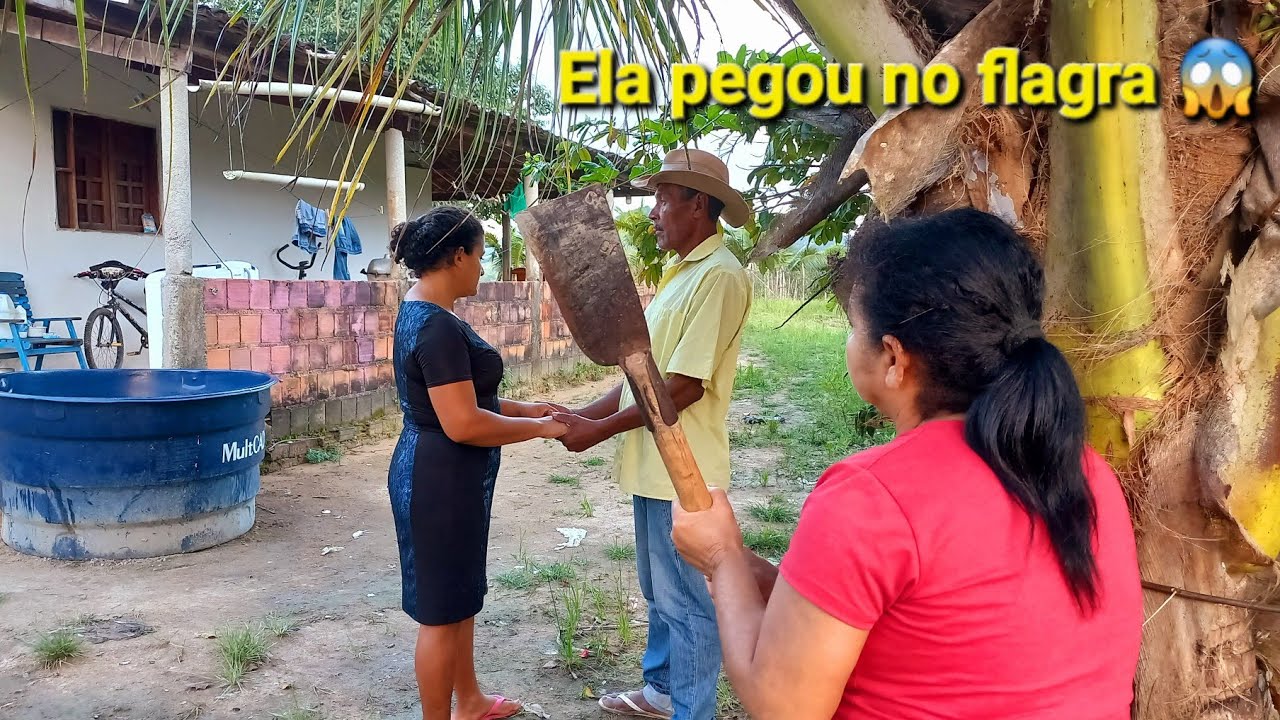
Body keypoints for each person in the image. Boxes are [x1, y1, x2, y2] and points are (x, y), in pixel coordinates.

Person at [671, 208, 1144, 719]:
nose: (850, 341)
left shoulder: (869, 499)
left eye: (854, 327)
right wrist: (749, 575)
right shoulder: (1085, 472)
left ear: (894, 359)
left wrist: (721, 556)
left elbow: (783, 706)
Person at [552, 148, 754, 719]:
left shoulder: (718, 276)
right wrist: (587, 415)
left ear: (698, 203)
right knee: (658, 591)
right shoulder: (679, 274)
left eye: (664, 198)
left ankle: (694, 709)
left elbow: (683, 388)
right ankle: (663, 691)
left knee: (686, 601)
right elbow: (642, 374)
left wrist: (599, 431)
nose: (654, 211)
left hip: (684, 471)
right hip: (650, 464)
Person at [386, 206, 569, 720]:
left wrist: (528, 409)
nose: (483, 269)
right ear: (458, 255)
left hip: (451, 477)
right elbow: (462, 423)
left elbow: (465, 400)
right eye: (481, 256)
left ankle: (469, 700)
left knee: (460, 596)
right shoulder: (435, 327)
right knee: (441, 613)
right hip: (438, 481)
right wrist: (538, 429)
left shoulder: (423, 312)